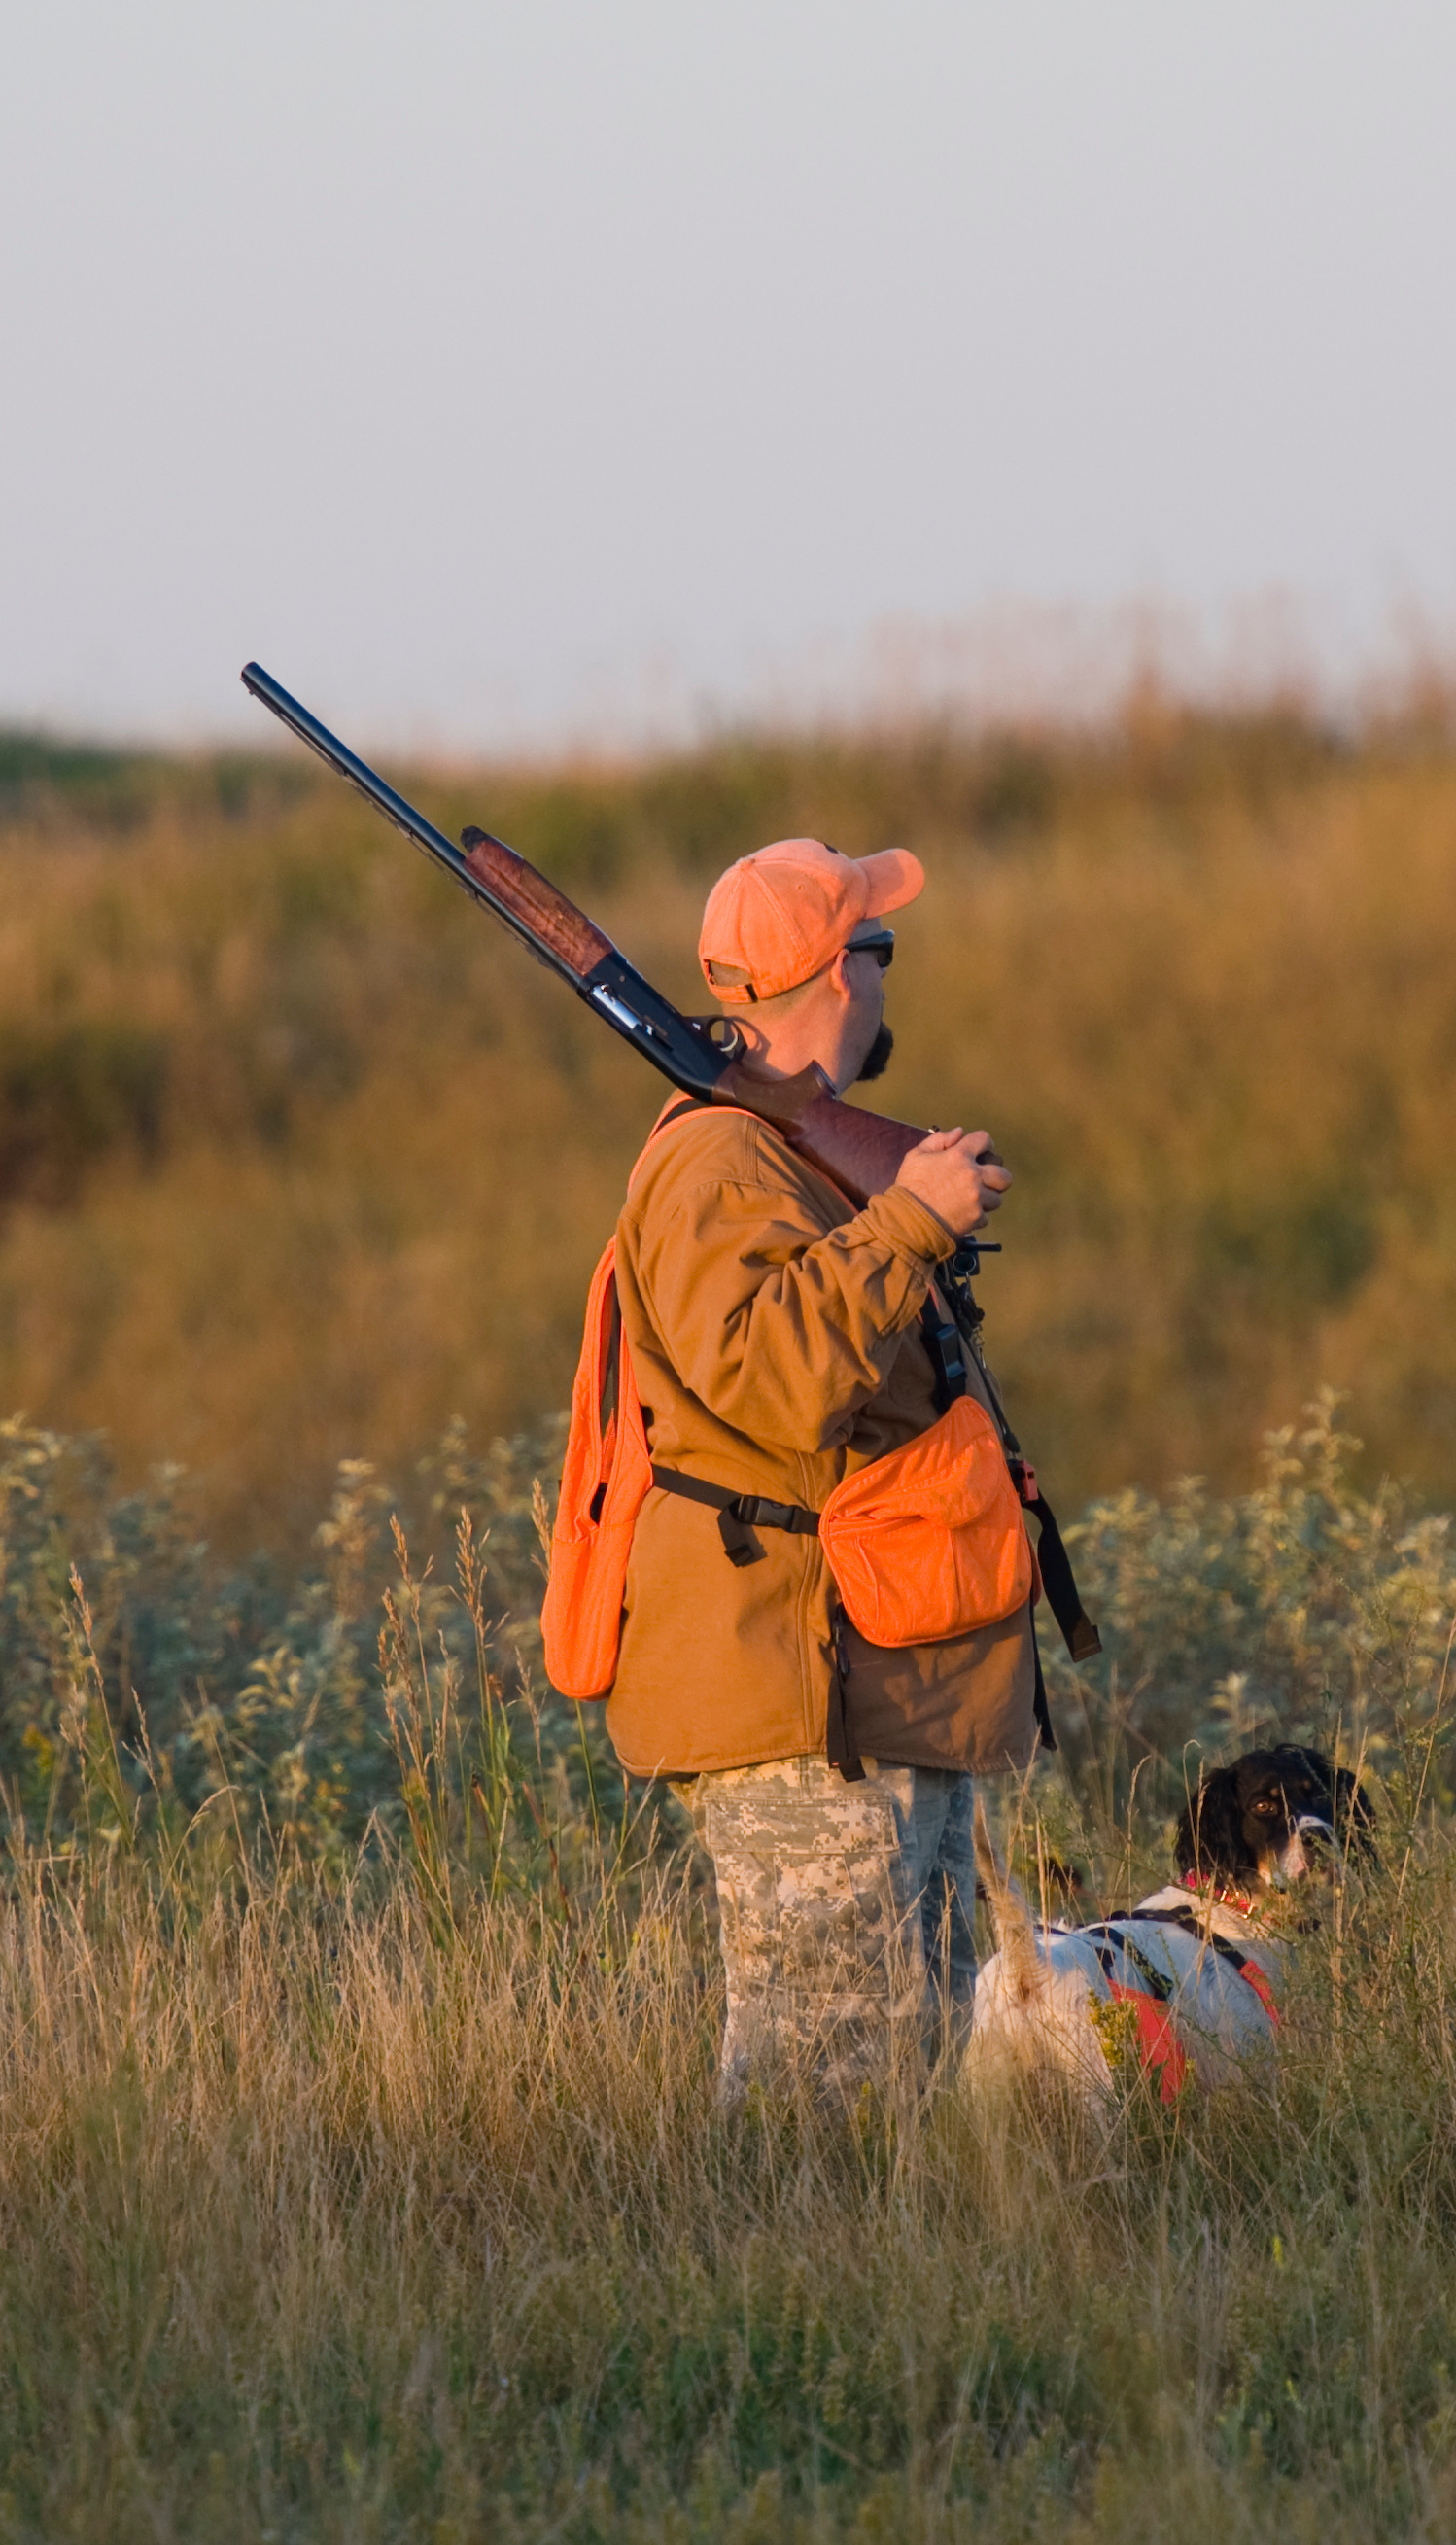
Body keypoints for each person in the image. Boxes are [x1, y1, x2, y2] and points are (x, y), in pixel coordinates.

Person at [602, 835, 1045, 2108]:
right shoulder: (716, 1163)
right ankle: (755, 2313)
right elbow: (771, 1381)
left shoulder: (794, 1151)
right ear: (834, 976)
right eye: (879, 948)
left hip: (874, 1668)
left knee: (900, 2073)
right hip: (803, 1680)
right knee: (820, 2088)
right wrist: (910, 1220)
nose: (888, 978)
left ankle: (858, 2304)